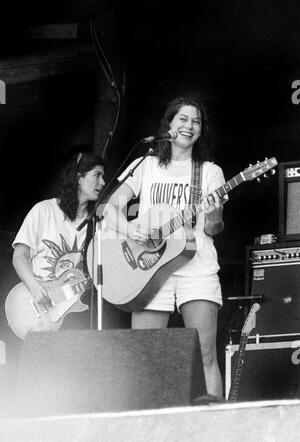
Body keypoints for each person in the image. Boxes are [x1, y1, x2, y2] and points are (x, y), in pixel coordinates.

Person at [105, 95, 226, 398]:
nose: (189, 126)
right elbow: (108, 209)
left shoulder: (210, 172)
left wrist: (213, 213)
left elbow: (214, 228)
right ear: (169, 124)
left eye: (196, 121)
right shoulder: (144, 165)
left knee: (205, 355)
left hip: (196, 265)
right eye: (183, 119)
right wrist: (132, 228)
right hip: (149, 268)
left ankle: (217, 431)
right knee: (145, 355)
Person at [12, 150, 105, 332]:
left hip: (75, 317)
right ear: (78, 178)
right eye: (97, 175)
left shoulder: (98, 223)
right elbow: (19, 256)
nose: (103, 183)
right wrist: (35, 287)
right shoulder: (44, 210)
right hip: (38, 305)